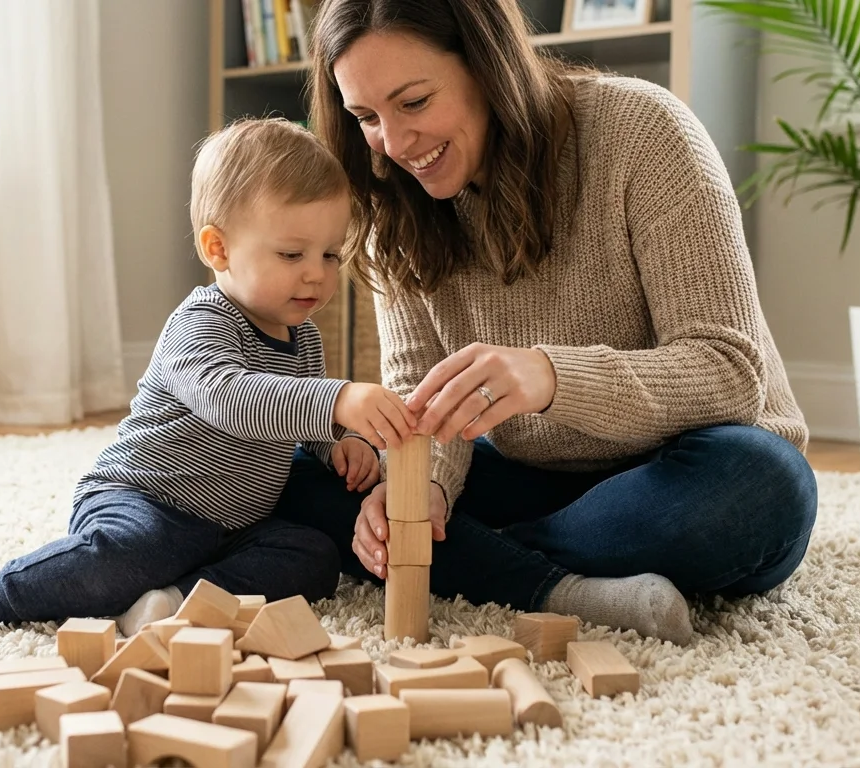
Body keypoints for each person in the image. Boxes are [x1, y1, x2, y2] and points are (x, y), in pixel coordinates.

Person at [271, 0, 819, 646]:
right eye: (366, 117)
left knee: (764, 486)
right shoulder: (394, 199)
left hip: (685, 466)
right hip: (540, 479)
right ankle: (553, 581)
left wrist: (551, 376)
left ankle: (488, 562)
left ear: (486, 65)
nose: (392, 145)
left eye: (413, 103)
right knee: (298, 473)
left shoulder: (643, 132)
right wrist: (424, 494)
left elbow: (730, 374)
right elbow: (425, 397)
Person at [0, 118, 416, 641]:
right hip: (144, 499)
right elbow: (231, 397)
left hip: (233, 525)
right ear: (218, 249)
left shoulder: (304, 339)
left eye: (331, 254)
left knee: (312, 557)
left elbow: (298, 421)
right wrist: (338, 400)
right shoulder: (202, 322)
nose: (317, 272)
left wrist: (338, 442)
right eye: (293, 254)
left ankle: (171, 601)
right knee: (135, 551)